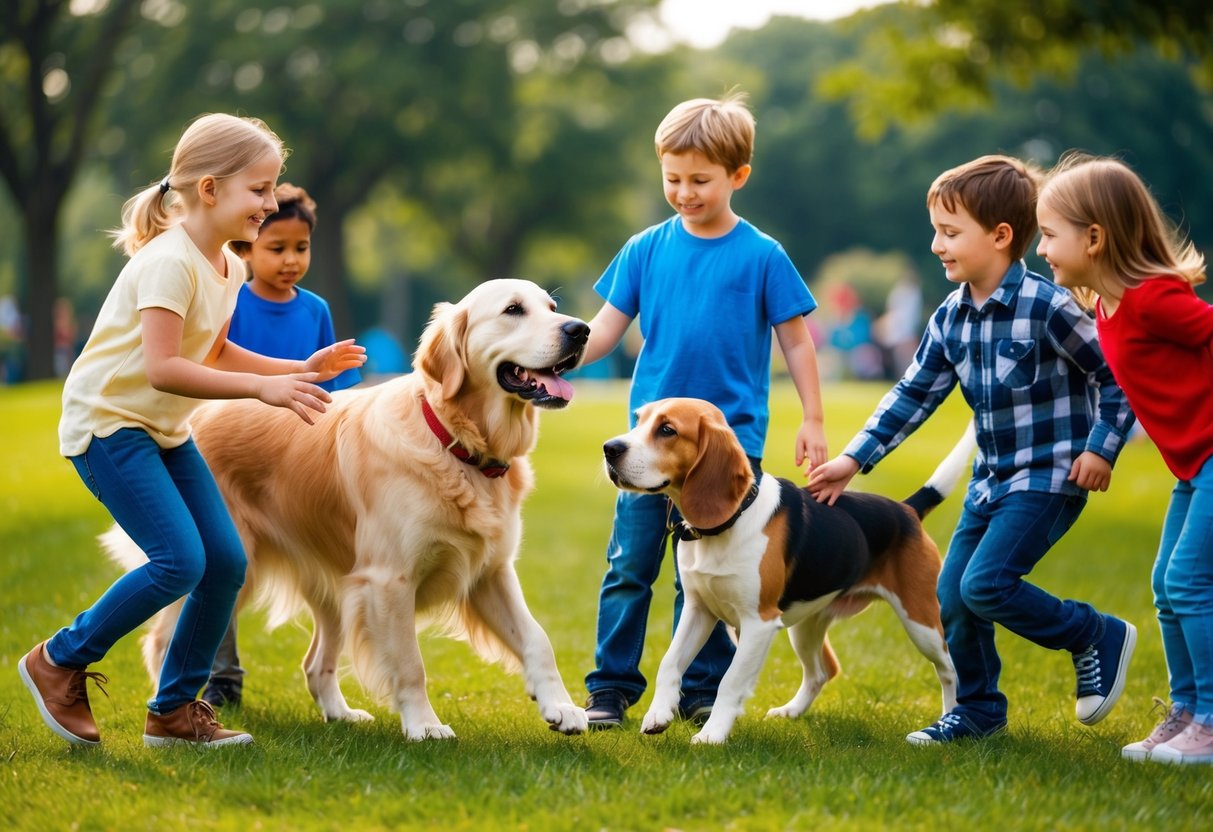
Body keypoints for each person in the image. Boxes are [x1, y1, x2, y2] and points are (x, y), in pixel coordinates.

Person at [16, 113, 366, 749]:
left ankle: (174, 712)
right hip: (110, 428)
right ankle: (58, 659)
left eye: (273, 187)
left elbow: (217, 350)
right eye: (259, 189)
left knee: (227, 561)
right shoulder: (169, 262)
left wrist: (299, 368)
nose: (270, 202)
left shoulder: (226, 267)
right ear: (209, 190)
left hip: (165, 431)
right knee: (180, 561)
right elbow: (166, 365)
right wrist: (265, 390)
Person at [809, 154, 1137, 745]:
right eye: (936, 229)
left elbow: (1113, 376)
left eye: (950, 231)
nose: (937, 243)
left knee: (986, 584)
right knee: (953, 593)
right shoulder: (950, 318)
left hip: (1050, 477)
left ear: (1001, 236)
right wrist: (854, 460)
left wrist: (1101, 448)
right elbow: (913, 394)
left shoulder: (1048, 306)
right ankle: (980, 709)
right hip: (992, 481)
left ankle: (1093, 632)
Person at [579, 91, 828, 728]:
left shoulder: (763, 254)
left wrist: (815, 418)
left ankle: (701, 689)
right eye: (672, 178)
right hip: (648, 448)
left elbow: (796, 339)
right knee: (630, 568)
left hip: (729, 447)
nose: (684, 192)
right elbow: (605, 329)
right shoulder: (645, 248)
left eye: (699, 180)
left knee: (713, 575)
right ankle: (610, 689)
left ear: (737, 176)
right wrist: (552, 357)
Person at [1037, 152, 1213, 764]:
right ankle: (1186, 711)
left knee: (1189, 581)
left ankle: (1211, 720)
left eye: (1049, 235)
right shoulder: (1106, 308)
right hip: (1192, 464)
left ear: (1094, 237)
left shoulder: (1151, 299)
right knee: (1167, 585)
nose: (1041, 250)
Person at [195, 182, 360, 709]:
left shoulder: (315, 310)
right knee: (227, 562)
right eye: (277, 248)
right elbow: (212, 363)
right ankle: (221, 675)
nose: (291, 260)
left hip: (299, 459)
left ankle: (325, 671)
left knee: (324, 567)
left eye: (301, 248)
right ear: (246, 249)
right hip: (235, 448)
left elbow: (332, 393)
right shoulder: (233, 299)